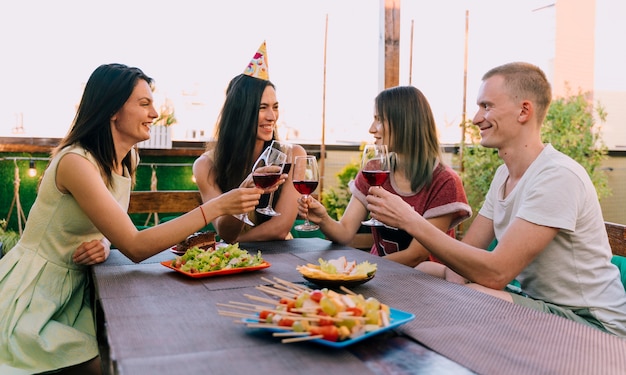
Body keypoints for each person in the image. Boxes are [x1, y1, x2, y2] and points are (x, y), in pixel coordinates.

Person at [0, 63, 264, 374]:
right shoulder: (75, 162)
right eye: (144, 104)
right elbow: (136, 246)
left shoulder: (126, 159)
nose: (155, 113)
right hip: (31, 297)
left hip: (75, 293)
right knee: (112, 362)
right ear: (112, 110)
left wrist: (102, 241)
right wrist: (217, 206)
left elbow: (109, 227)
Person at [365, 62, 626, 337]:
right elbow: (467, 253)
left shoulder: (557, 175)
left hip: (593, 324)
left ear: (524, 111)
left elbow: (496, 273)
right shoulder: (504, 174)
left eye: (486, 106)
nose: (477, 118)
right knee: (428, 269)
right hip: (537, 301)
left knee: (477, 295)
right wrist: (454, 280)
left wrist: (410, 220)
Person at [297, 86, 471, 267]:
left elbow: (415, 255)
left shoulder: (445, 181)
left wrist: (358, 268)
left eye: (379, 120)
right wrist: (323, 218)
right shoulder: (374, 169)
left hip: (425, 284)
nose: (372, 129)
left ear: (405, 122)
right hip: (379, 276)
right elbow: (345, 232)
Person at [193, 42, 306, 244]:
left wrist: (231, 247)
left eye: (275, 107)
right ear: (240, 112)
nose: (272, 116)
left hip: (279, 257)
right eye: (263, 107)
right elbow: (225, 231)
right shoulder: (206, 166)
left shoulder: (294, 155)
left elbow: (280, 229)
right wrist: (246, 191)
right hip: (236, 264)